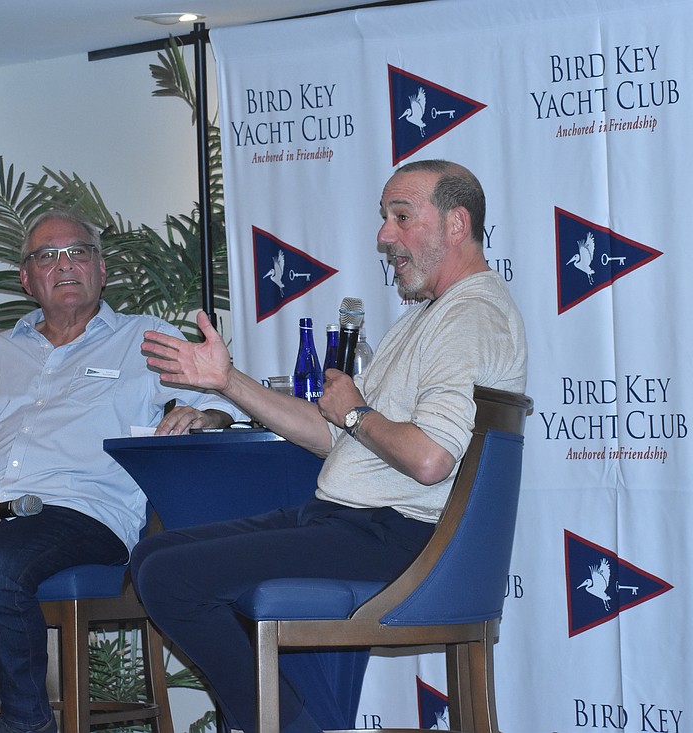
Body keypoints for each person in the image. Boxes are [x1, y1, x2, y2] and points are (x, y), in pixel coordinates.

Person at [131, 160, 528, 733]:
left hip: (398, 538)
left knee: (172, 578)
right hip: (349, 521)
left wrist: (358, 412)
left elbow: (428, 458)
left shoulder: (471, 316)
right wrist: (228, 382)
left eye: (401, 217)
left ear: (456, 223)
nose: (383, 236)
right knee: (151, 559)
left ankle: (290, 727)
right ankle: (291, 720)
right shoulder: (430, 315)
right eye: (383, 218)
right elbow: (331, 434)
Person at [0, 209, 238, 733]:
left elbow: (219, 404)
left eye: (79, 252)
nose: (66, 265)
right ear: (27, 279)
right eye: (47, 256)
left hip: (82, 511)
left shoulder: (144, 337)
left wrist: (202, 414)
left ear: (102, 269)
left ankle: (28, 724)